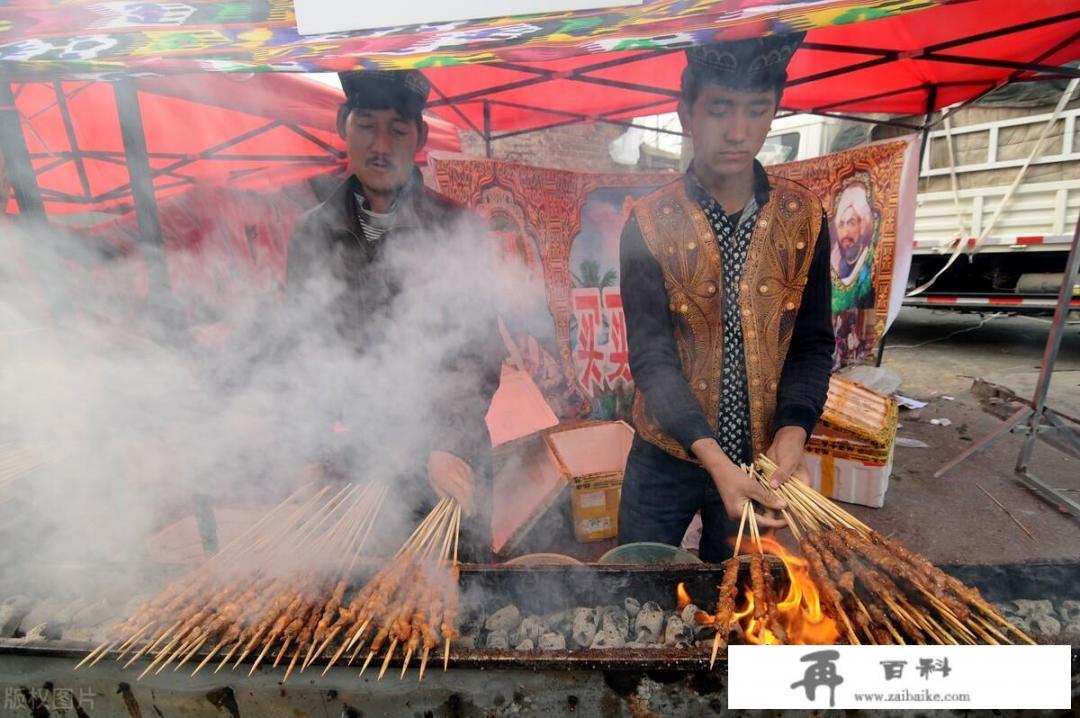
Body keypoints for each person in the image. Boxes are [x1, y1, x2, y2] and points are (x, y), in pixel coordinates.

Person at [617, 33, 835, 563]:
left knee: (737, 605)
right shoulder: (647, 223)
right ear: (686, 113)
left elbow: (811, 347)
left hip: (760, 458)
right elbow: (652, 358)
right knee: (634, 591)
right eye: (719, 110)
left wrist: (793, 432)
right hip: (665, 455)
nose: (738, 132)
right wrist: (712, 458)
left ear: (774, 112)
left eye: (756, 110)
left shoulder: (804, 219)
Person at [286, 70, 504, 548]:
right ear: (343, 125)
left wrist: (443, 441)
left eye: (398, 130)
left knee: (461, 607)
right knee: (368, 602)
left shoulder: (456, 229)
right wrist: (310, 450)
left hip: (450, 459)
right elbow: (304, 351)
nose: (380, 144)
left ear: (419, 137)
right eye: (366, 126)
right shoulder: (312, 233)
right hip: (364, 462)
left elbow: (480, 354)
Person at [831, 180, 876, 312]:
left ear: (861, 226)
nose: (846, 232)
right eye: (841, 224)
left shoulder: (866, 268)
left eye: (851, 223)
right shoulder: (834, 261)